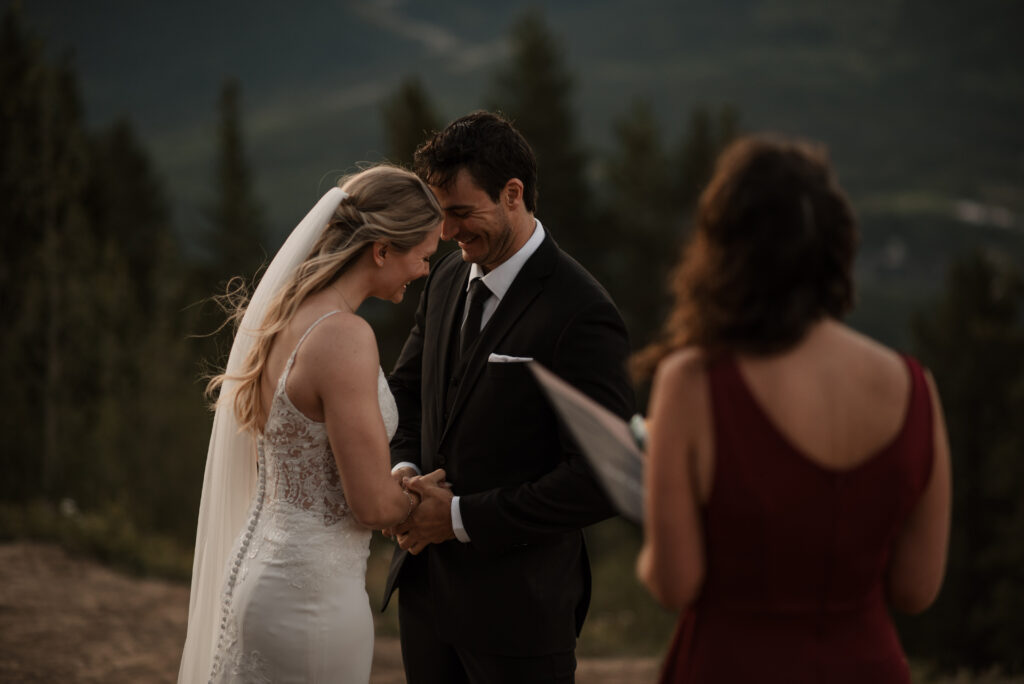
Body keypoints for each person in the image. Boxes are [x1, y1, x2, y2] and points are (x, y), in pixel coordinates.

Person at [634, 135, 952, 683]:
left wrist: (656, 496)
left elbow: (674, 582)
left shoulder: (693, 382)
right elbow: (916, 589)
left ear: (722, 253)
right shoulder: (915, 387)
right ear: (835, 246)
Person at [379, 111, 635, 684]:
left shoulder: (582, 311)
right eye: (441, 215)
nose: (447, 233)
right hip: (426, 601)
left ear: (513, 193)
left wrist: (460, 517)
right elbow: (406, 395)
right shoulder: (446, 280)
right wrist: (404, 473)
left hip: (520, 619)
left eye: (462, 213)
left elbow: (602, 477)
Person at [177, 164, 450, 683]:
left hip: (263, 574)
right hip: (314, 601)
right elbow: (370, 504)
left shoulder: (286, 314)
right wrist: (421, 499)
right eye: (424, 255)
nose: (425, 271)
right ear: (382, 249)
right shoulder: (344, 336)